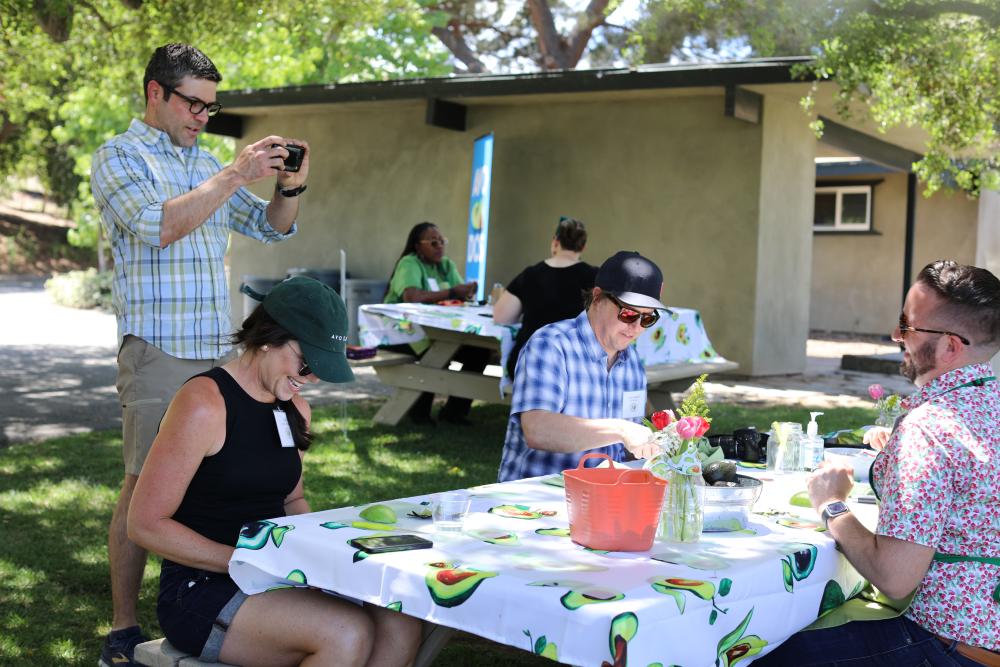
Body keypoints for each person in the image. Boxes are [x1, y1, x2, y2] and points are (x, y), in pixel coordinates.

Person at [91, 43, 310, 666]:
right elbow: (158, 224)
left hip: (219, 357)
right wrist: (235, 174)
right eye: (194, 103)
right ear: (156, 93)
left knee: (221, 486)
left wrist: (291, 184)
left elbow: (272, 226)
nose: (203, 117)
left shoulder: (209, 161)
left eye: (212, 107)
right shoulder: (118, 156)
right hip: (158, 351)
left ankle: (221, 594)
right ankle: (124, 630)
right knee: (143, 491)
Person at [128, 276, 424, 666]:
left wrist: (322, 553)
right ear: (268, 337)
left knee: (401, 618)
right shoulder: (203, 403)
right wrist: (245, 559)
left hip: (276, 572)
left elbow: (292, 498)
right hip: (201, 587)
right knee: (346, 633)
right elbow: (145, 523)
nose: (311, 378)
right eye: (307, 363)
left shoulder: (296, 409)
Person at [759, 260, 1000, 667]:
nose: (895, 335)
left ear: (950, 346)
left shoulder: (930, 428)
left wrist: (831, 504)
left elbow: (894, 576)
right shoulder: (986, 408)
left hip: (947, 647)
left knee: (757, 655)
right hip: (981, 639)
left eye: (906, 325)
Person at [497, 251, 667, 482]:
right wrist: (621, 429)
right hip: (538, 500)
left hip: (604, 496)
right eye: (628, 313)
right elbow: (538, 429)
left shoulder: (632, 362)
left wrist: (655, 444)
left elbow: (626, 448)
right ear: (597, 297)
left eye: (648, 318)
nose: (636, 327)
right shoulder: (550, 345)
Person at [383, 221, 489, 424]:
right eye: (433, 242)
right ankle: (419, 413)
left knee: (478, 352)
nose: (440, 246)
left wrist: (467, 292)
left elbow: (459, 294)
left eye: (442, 241)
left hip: (437, 331)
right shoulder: (409, 263)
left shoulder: (446, 265)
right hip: (401, 331)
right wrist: (451, 292)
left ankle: (454, 412)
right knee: (435, 353)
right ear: (417, 246)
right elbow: (411, 296)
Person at [493, 216, 598, 379]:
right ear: (583, 246)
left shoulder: (530, 275)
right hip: (575, 367)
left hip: (528, 364)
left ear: (555, 241)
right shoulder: (595, 277)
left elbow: (501, 316)